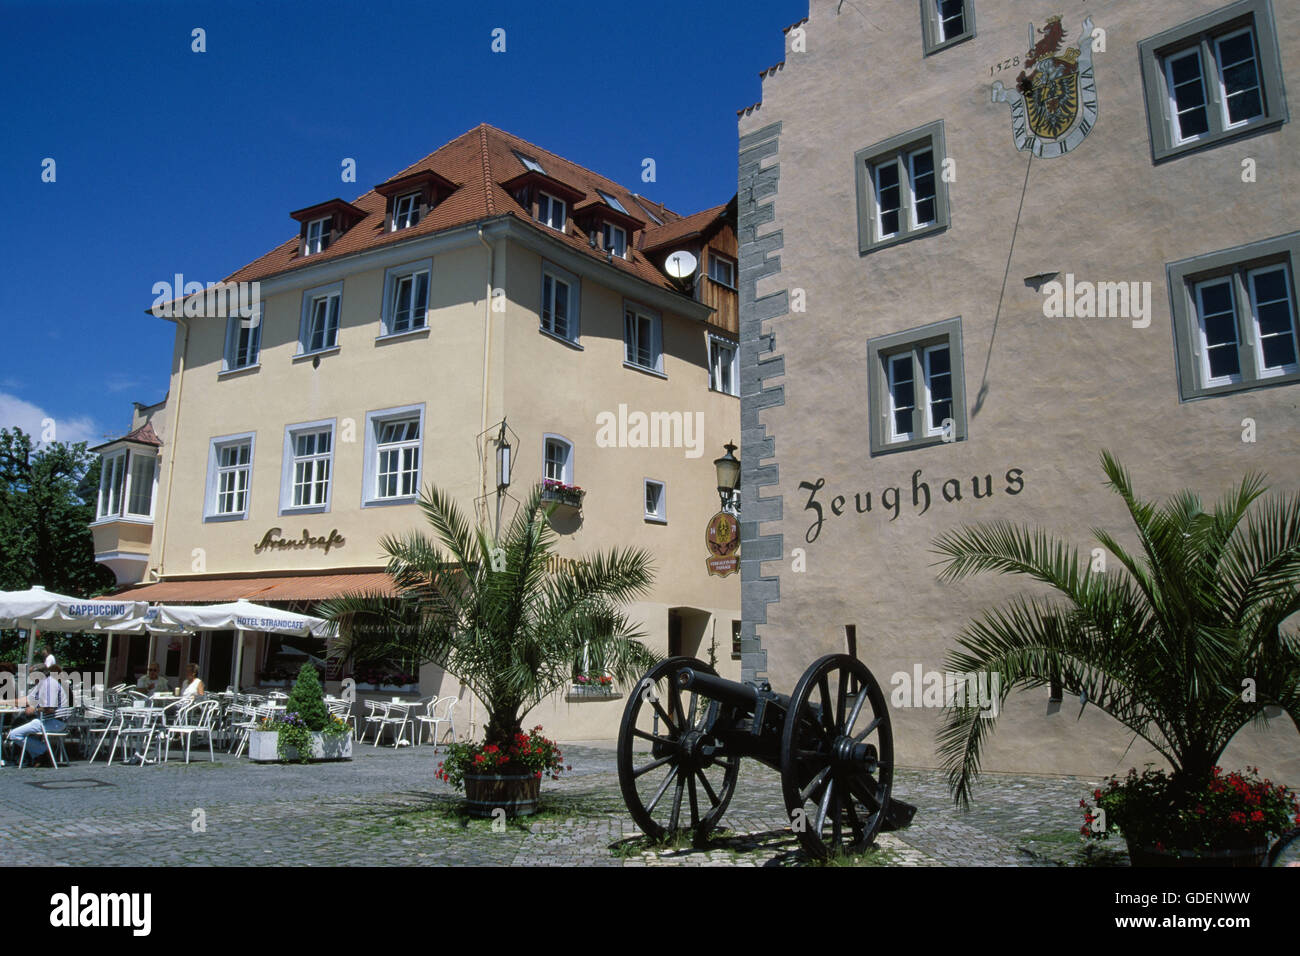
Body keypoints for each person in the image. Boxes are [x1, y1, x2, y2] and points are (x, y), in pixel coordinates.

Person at [5, 665, 69, 765]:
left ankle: (43, 752)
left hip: (55, 722)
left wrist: (34, 708)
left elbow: (49, 708)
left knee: (14, 734)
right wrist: (4, 702)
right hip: (46, 720)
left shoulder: (50, 684)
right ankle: (37, 756)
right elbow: (26, 700)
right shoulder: (42, 684)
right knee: (19, 724)